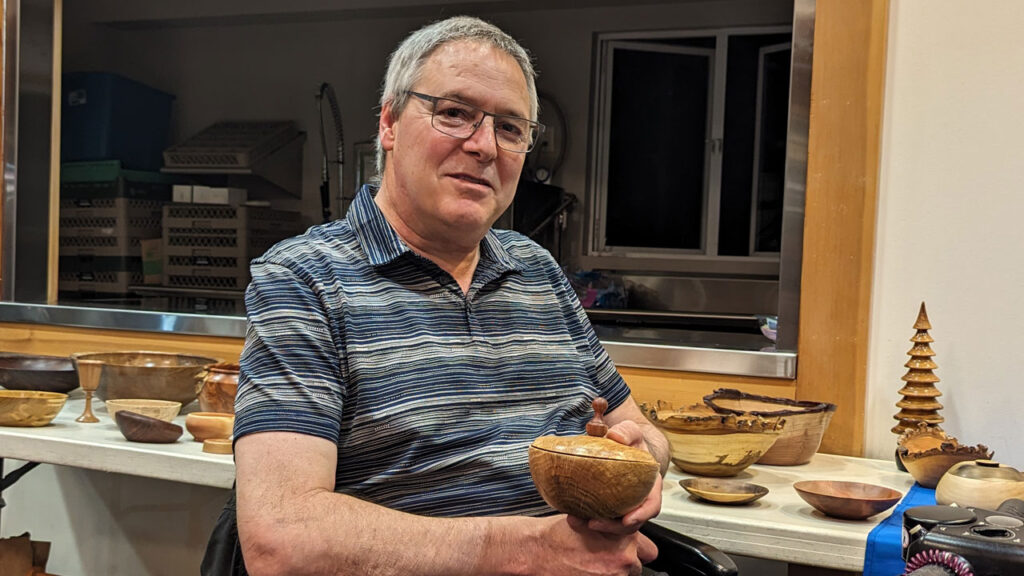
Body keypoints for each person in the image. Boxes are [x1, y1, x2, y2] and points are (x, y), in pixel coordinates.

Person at [219, 15, 671, 576]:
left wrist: (642, 463)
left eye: (510, 128)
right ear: (389, 122)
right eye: (455, 113)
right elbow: (281, 540)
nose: (485, 146)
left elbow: (644, 432)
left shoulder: (538, 272)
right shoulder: (305, 279)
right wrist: (528, 551)